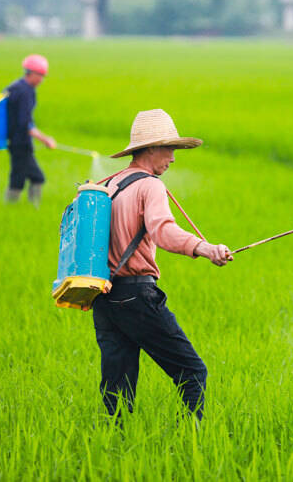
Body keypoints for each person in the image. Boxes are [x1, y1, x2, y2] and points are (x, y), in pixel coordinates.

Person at [92, 109, 232, 421]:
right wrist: (204, 248)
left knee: (117, 388)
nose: (172, 157)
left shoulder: (110, 185)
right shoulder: (150, 186)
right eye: (170, 148)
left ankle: (111, 448)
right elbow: (163, 231)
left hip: (103, 297)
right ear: (152, 148)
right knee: (193, 373)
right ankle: (192, 446)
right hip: (136, 297)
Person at [5, 54, 57, 206]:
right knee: (36, 177)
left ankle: (12, 208)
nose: (41, 79)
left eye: (43, 76)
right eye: (39, 75)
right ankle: (30, 209)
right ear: (29, 72)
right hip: (21, 143)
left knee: (18, 178)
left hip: (14, 141)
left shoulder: (15, 87)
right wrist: (45, 139)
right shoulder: (26, 91)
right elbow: (25, 123)